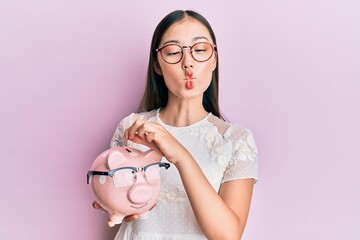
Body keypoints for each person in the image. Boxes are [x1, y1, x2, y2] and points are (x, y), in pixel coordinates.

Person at [94, 9, 258, 240]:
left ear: (214, 60)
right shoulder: (132, 128)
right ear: (157, 65)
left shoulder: (235, 140)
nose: (188, 63)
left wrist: (180, 154)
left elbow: (228, 235)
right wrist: (110, 202)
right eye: (173, 52)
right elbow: (117, 204)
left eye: (200, 50)